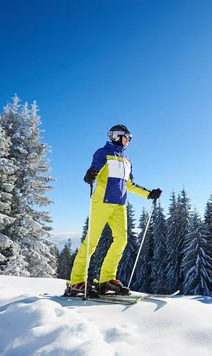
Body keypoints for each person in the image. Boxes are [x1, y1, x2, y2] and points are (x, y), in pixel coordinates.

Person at [66, 124, 162, 296]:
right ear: (117, 136)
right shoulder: (102, 153)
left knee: (121, 240)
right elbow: (92, 173)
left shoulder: (127, 160)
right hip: (102, 202)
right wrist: (88, 176)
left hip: (119, 205)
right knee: (91, 243)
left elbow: (130, 185)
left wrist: (149, 194)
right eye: (127, 136)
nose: (129, 140)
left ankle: (106, 279)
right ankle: (76, 282)